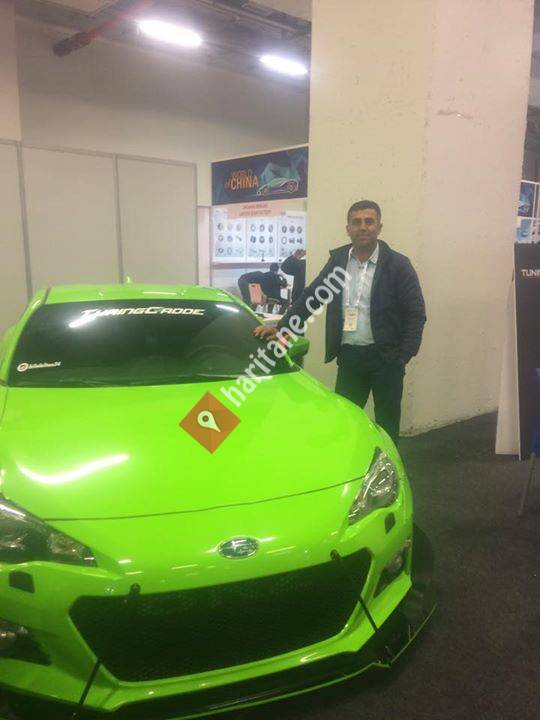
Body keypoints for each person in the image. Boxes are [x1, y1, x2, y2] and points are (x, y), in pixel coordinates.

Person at [254, 200, 426, 445]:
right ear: (348, 229)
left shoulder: (397, 265)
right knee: (344, 422)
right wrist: (283, 328)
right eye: (357, 222)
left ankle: (389, 467)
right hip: (350, 358)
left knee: (387, 425)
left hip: (387, 359)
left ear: (379, 227)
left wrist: (402, 357)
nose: (363, 227)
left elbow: (416, 313)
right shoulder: (339, 261)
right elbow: (312, 297)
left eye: (369, 222)